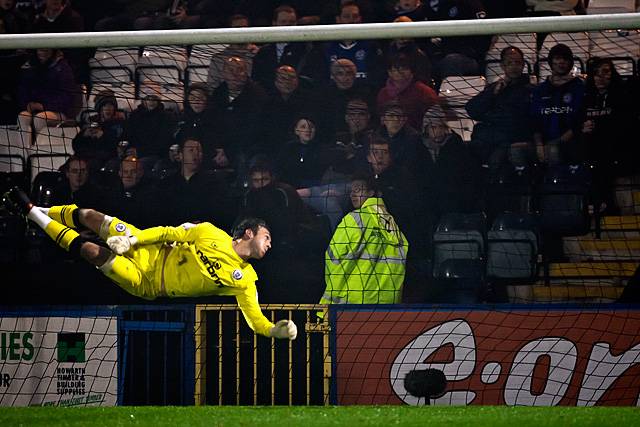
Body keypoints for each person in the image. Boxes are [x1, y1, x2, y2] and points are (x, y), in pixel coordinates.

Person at [2, 186, 298, 341]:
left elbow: (256, 320)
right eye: (267, 236)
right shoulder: (211, 233)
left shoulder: (245, 279)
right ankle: (39, 208)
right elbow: (169, 232)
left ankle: (31, 212)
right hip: (148, 248)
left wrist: (274, 330)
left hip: (148, 283)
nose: (270, 244)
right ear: (249, 232)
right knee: (91, 215)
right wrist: (133, 241)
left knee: (93, 253)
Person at [320, 173, 408, 308]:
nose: (353, 195)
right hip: (387, 305)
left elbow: (332, 257)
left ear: (371, 193)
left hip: (350, 304)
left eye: (358, 190)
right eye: (351, 191)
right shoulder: (392, 224)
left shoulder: (353, 220)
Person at [465, 46, 534, 169]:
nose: (514, 66)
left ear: (523, 65)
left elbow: (518, 121)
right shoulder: (494, 88)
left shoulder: (530, 90)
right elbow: (472, 110)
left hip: (510, 139)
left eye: (517, 63)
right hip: (488, 139)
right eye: (509, 63)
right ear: (502, 66)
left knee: (496, 159)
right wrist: (492, 94)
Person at [530, 43, 586, 165]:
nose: (561, 62)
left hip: (571, 141)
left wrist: (557, 142)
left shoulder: (579, 87)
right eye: (557, 58)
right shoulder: (540, 90)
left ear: (570, 62)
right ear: (551, 62)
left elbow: (579, 122)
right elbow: (535, 121)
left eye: (565, 59)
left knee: (554, 150)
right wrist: (539, 145)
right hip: (542, 141)